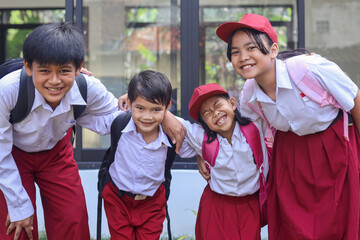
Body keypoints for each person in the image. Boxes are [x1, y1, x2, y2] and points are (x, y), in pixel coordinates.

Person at [214, 13, 360, 239]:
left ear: (273, 50)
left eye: (251, 48)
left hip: (334, 149)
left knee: (338, 223)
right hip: (290, 159)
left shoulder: (309, 68)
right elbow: (241, 132)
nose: (243, 57)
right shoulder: (249, 94)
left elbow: (354, 99)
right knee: (293, 229)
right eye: (235, 52)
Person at [0, 22, 123, 240]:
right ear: (28, 68)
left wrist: (166, 117)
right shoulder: (7, 90)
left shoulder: (89, 87)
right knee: (16, 227)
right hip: (12, 156)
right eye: (45, 71)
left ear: (78, 68)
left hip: (57, 154)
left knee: (72, 221)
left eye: (64, 71)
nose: (54, 81)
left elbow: (120, 118)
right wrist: (19, 205)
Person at [101, 70, 194, 240]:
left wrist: (203, 158)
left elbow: (201, 141)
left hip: (152, 203)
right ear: (129, 103)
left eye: (156, 110)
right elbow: (90, 111)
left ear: (167, 109)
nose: (147, 116)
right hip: (117, 198)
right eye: (140, 108)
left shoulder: (173, 134)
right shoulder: (118, 122)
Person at [177, 83, 269, 240]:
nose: (215, 113)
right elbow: (173, 122)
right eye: (207, 113)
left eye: (218, 105)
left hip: (250, 205)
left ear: (233, 103)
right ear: (204, 123)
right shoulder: (202, 138)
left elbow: (261, 87)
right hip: (216, 206)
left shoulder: (256, 126)